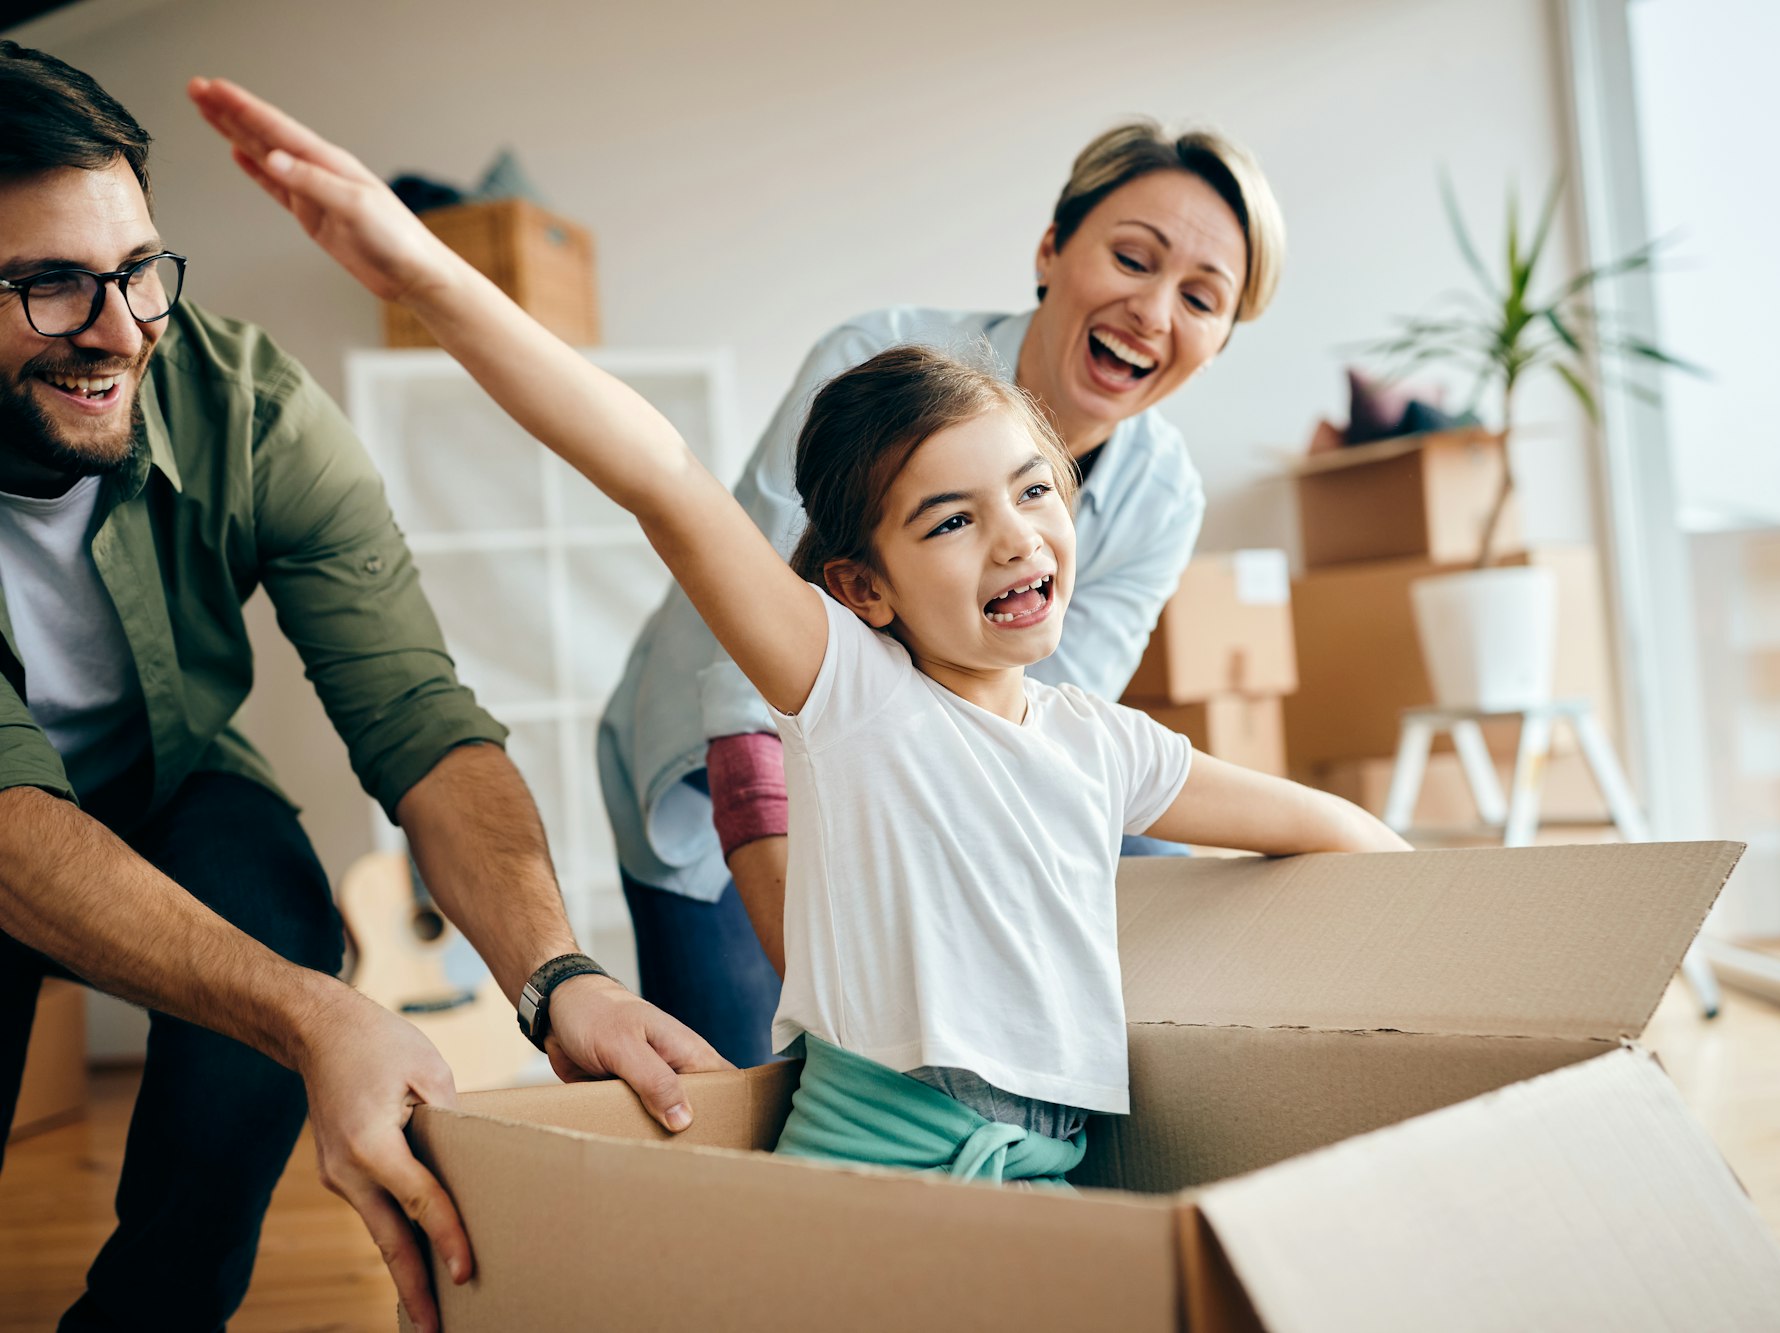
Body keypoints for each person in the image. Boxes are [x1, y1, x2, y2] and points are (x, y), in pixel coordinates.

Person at [190, 76, 1409, 1188]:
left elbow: (1322, 825)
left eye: (1037, 494)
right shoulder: (852, 689)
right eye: (949, 519)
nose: (1015, 539)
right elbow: (662, 480)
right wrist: (429, 276)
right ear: (858, 588)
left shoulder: (1099, 737)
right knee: (719, 1109)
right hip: (873, 1152)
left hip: (1044, 1169)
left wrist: (1449, 919)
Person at [0, 45, 724, 1333]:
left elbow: (417, 717)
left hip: (167, 779)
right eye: (52, 285)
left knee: (276, 903)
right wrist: (320, 1019)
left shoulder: (247, 404)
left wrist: (562, 977)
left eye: (135, 274)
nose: (119, 332)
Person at [600, 118, 1290, 1068]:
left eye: (1203, 300)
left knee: (1151, 872)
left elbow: (1036, 731)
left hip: (916, 775)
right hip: (723, 760)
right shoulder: (872, 359)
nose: (1153, 312)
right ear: (1052, 249)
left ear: (1217, 342)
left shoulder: (1163, 497)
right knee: (743, 1092)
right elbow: (745, 666)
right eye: (1133, 258)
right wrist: (828, 982)